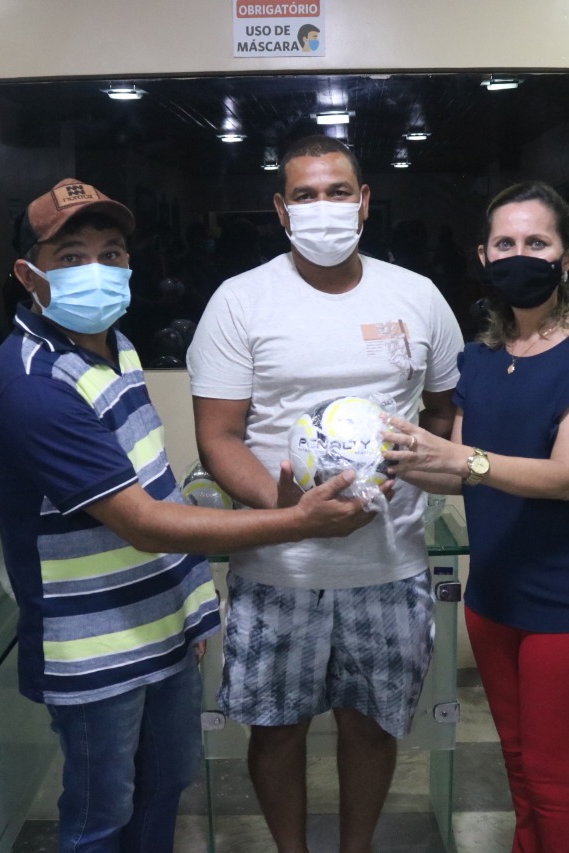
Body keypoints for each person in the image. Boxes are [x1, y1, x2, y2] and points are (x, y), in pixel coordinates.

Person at [0, 178, 377, 853]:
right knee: (101, 815)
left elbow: (154, 481)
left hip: (159, 628)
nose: (97, 269)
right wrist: (298, 521)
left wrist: (188, 609)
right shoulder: (32, 384)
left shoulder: (113, 346)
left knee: (164, 788)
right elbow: (142, 521)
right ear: (28, 274)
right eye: (71, 257)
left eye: (111, 252)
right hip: (94, 649)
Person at [187, 136, 462, 853]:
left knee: (371, 726)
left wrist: (418, 473)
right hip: (279, 565)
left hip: (390, 562)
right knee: (276, 728)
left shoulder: (417, 296)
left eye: (338, 192)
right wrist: (288, 515)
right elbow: (219, 437)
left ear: (364, 201)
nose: (323, 207)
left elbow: (444, 412)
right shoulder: (240, 301)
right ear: (281, 210)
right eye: (305, 195)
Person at [382, 180, 569, 853]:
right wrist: (389, 459)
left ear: (568, 256)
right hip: (494, 601)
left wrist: (458, 456)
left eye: (537, 242)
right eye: (505, 243)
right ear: (484, 255)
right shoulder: (479, 359)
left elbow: (563, 476)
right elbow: (456, 470)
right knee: (522, 775)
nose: (519, 255)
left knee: (557, 784)